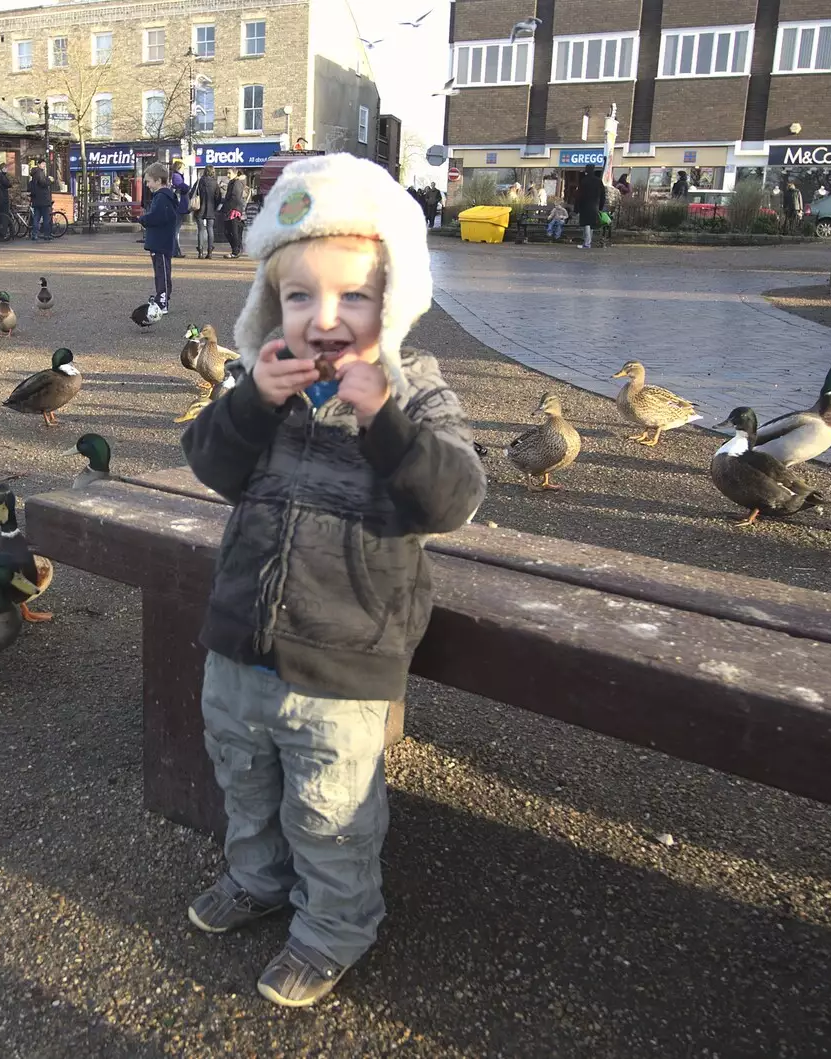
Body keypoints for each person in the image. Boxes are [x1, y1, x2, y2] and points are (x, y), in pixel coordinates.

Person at [180, 152, 485, 1009]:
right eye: (299, 296)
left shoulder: (417, 395)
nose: (324, 318)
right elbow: (210, 463)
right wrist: (248, 405)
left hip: (346, 657)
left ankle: (332, 928)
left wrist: (382, 418)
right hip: (240, 639)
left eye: (352, 296)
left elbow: (453, 498)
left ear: (394, 302)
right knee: (242, 779)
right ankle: (258, 877)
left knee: (330, 809)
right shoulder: (262, 383)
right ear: (270, 305)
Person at [138, 162, 182, 312]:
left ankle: (162, 301)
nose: (147, 185)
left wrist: (144, 219)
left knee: (162, 272)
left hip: (161, 242)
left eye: (149, 181)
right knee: (160, 272)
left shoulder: (162, 198)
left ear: (158, 181)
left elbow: (158, 217)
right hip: (159, 242)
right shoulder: (162, 197)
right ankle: (161, 297)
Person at [576, 164, 605, 249]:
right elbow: (603, 194)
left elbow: (579, 194)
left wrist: (577, 207)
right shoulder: (598, 181)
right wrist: (601, 206)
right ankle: (588, 241)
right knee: (591, 223)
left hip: (585, 204)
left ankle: (587, 243)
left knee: (586, 223)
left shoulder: (584, 181)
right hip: (595, 204)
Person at [193, 164, 219, 259]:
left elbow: (192, 193)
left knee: (200, 230)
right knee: (210, 229)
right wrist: (214, 206)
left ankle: (200, 252)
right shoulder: (215, 183)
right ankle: (210, 252)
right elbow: (218, 197)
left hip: (200, 208)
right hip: (211, 209)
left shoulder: (199, 181)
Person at [222, 168, 248, 258]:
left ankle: (236, 251)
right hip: (232, 209)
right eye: (227, 173)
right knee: (229, 231)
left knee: (233, 231)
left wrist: (228, 208)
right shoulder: (232, 182)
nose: (227, 175)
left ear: (235, 173)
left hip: (234, 210)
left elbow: (235, 197)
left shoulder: (236, 183)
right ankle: (236, 249)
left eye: (229, 173)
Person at [27, 160, 54, 241]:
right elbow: (43, 183)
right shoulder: (40, 172)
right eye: (42, 164)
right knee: (46, 219)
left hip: (36, 200)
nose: (44, 165)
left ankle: (34, 234)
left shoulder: (34, 174)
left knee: (36, 218)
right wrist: (50, 181)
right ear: (38, 164)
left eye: (45, 164)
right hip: (43, 200)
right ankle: (46, 235)